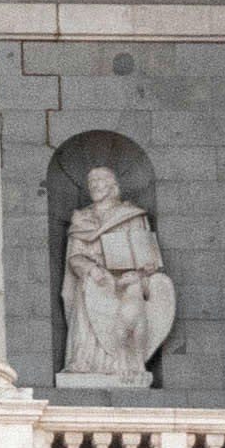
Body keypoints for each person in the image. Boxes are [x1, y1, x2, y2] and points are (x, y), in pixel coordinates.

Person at [59, 165, 175, 385]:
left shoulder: (131, 215)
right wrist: (92, 269)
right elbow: (75, 257)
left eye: (100, 180)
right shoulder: (82, 219)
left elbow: (144, 250)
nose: (94, 185)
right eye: (91, 181)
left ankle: (129, 363)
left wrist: (147, 266)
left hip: (126, 281)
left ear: (112, 186)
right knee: (90, 289)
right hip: (95, 279)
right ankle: (87, 362)